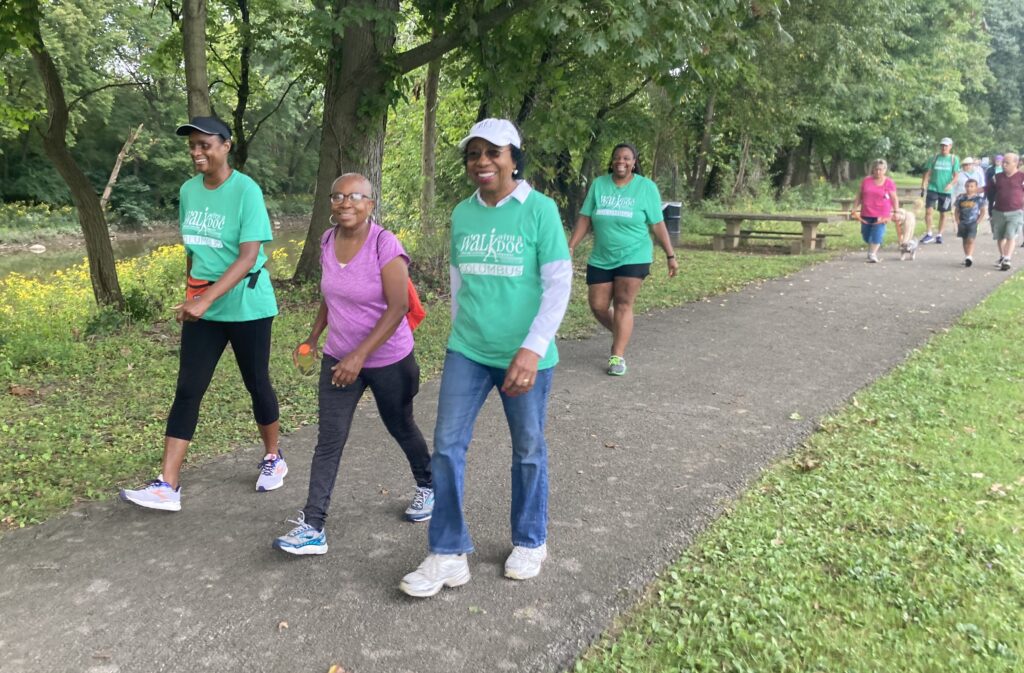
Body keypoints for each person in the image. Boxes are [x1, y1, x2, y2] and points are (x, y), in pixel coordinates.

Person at [399, 119, 572, 597]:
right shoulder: (463, 213)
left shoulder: (540, 210)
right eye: (474, 153)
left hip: (525, 354)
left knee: (528, 448)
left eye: (493, 152)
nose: (482, 161)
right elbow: (459, 282)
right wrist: (461, 334)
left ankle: (531, 540)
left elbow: (558, 284)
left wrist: (533, 348)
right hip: (469, 350)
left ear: (514, 158)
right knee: (446, 447)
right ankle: (448, 552)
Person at [120, 116, 284, 511]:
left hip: (247, 305)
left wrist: (206, 299)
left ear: (226, 146)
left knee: (256, 383)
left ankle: (273, 457)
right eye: (192, 145)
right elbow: (193, 251)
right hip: (203, 307)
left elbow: (248, 256)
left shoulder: (246, 190)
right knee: (188, 388)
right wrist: (191, 295)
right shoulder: (189, 191)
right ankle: (168, 485)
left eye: (204, 145)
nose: (197, 152)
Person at [271, 173, 433, 555]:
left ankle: (429, 485)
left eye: (356, 196)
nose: (346, 202)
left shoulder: (384, 243)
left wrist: (359, 356)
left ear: (370, 204)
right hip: (338, 357)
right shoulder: (327, 240)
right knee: (329, 438)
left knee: (400, 425)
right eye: (338, 196)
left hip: (389, 358)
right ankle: (313, 526)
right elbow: (331, 295)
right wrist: (314, 336)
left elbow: (398, 306)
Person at [567, 143, 678, 376]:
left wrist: (670, 255)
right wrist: (571, 245)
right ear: (612, 161)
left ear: (634, 162)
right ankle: (621, 331)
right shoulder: (599, 184)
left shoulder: (646, 187)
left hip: (634, 255)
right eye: (617, 157)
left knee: (623, 303)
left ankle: (617, 354)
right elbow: (585, 218)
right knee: (598, 306)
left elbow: (657, 223)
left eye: (627, 158)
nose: (621, 161)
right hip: (601, 256)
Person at [851, 158, 899, 263]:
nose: (878, 172)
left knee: (877, 233)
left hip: (882, 213)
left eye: (880, 169)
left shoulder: (889, 182)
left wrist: (896, 212)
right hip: (866, 212)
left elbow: (894, 198)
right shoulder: (866, 181)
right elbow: (859, 195)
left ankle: (872, 254)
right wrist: (854, 208)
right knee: (866, 235)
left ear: (885, 170)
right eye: (876, 169)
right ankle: (874, 243)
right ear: (872, 169)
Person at [985, 152, 1024, 271]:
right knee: (1000, 236)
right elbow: (987, 188)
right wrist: (973, 191)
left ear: (1016, 163)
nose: (1004, 165)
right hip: (998, 211)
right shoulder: (997, 177)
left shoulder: (1021, 177)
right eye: (1003, 162)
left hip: (1016, 211)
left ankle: (1007, 259)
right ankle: (1002, 256)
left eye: (1007, 162)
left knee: (1011, 235)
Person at [919, 137, 960, 244]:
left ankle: (939, 235)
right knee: (928, 210)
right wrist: (923, 183)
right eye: (942, 145)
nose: (944, 148)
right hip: (933, 188)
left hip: (946, 191)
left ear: (950, 146)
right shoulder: (934, 158)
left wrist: (951, 184)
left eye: (946, 146)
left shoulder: (954, 159)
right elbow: (927, 172)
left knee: (943, 213)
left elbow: (956, 176)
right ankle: (929, 233)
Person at [953, 178, 986, 267]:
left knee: (970, 239)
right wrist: (957, 220)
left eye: (972, 186)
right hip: (962, 221)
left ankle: (969, 257)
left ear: (976, 187)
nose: (969, 188)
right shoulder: (961, 198)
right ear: (965, 187)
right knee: (964, 239)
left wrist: (978, 221)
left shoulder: (979, 199)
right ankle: (967, 256)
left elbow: (983, 211)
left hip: (973, 222)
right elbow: (957, 210)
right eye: (967, 186)